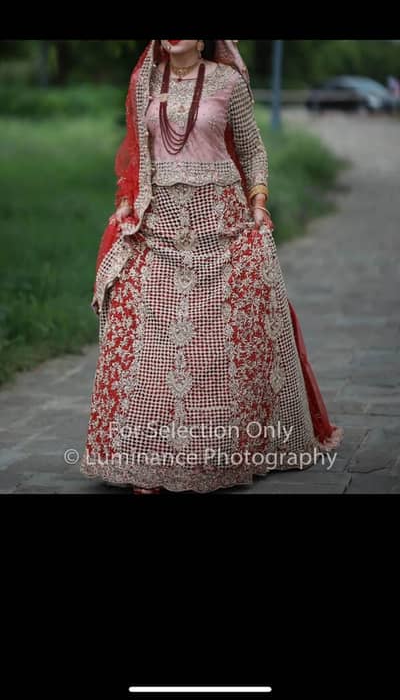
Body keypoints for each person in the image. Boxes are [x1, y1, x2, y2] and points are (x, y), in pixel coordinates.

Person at [80, 40, 343, 494]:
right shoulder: (146, 81)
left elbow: (253, 150)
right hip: (158, 225)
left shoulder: (227, 81)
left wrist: (258, 204)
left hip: (219, 225)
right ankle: (147, 455)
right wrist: (126, 205)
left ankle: (219, 453)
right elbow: (134, 156)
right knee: (148, 336)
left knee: (215, 340)